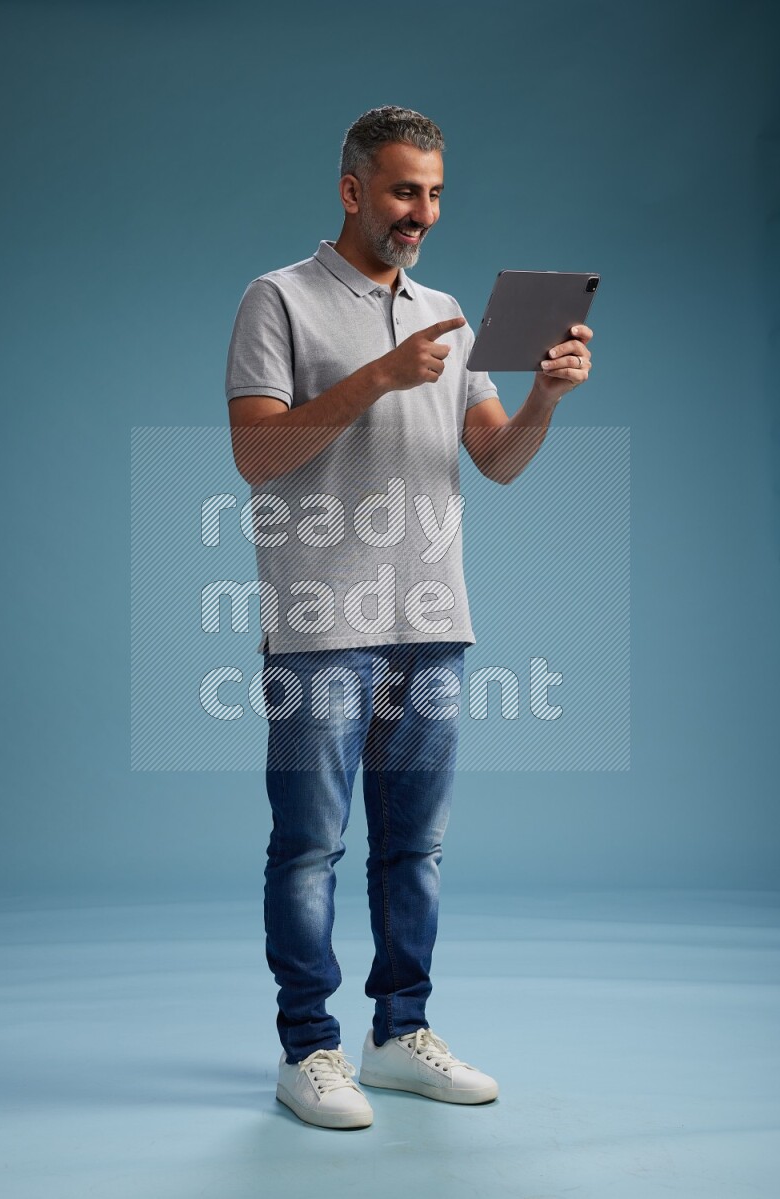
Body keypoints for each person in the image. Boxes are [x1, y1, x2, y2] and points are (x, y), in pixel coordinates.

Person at [225, 106, 593, 1130]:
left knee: (413, 847)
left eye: (431, 192)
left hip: (431, 617)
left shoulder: (446, 314)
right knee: (309, 845)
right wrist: (377, 377)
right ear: (351, 191)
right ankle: (310, 1047)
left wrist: (546, 400)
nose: (418, 212)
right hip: (319, 620)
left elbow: (495, 459)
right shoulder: (278, 300)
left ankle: (397, 1032)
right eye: (400, 190)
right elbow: (255, 453)